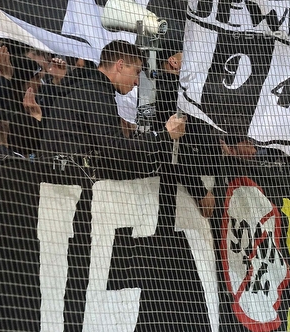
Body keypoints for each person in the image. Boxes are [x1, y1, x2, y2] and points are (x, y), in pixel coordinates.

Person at [41, 40, 211, 208]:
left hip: (61, 186)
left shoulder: (87, 86)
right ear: (120, 65)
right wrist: (164, 135)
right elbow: (116, 149)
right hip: (68, 190)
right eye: (136, 72)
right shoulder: (96, 93)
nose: (137, 81)